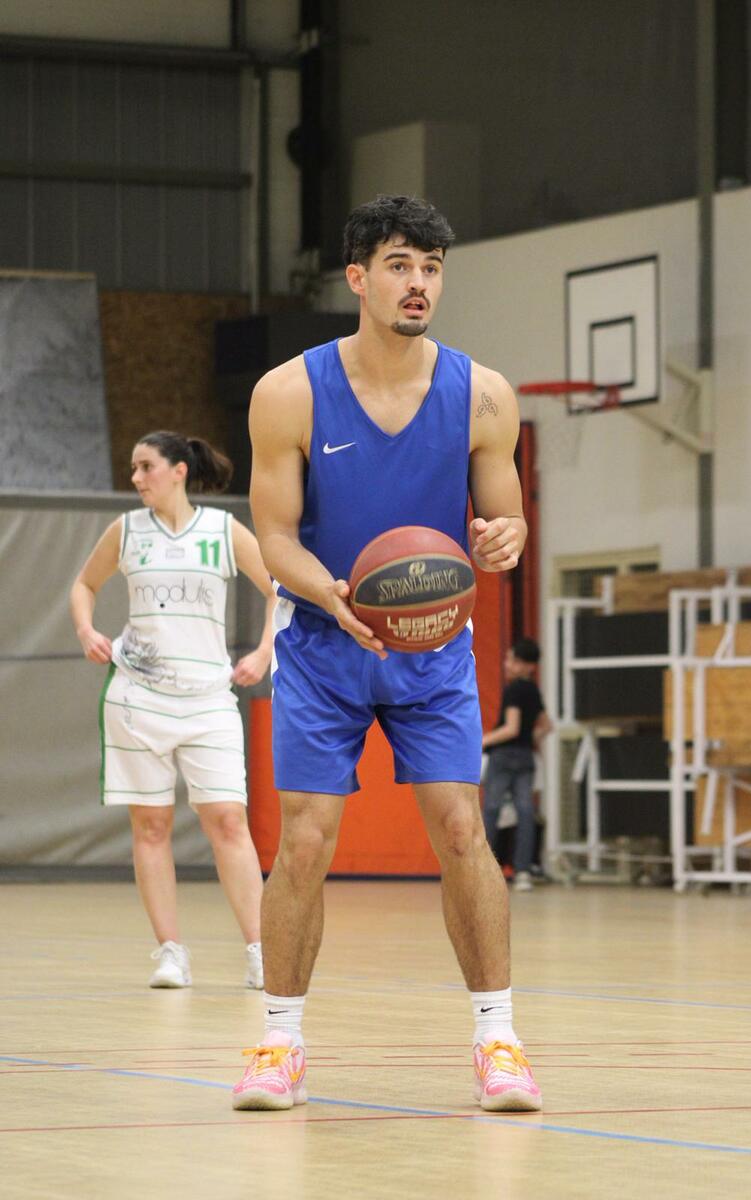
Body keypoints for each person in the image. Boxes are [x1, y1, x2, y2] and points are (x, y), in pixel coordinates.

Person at [234, 193, 542, 1114]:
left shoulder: (485, 395)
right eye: (401, 266)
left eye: (432, 268)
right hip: (323, 642)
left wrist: (505, 538)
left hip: (431, 648)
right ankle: (279, 1045)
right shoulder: (288, 393)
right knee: (305, 841)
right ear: (357, 278)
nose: (419, 284)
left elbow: (505, 519)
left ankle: (499, 1041)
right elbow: (274, 536)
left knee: (462, 829)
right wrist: (328, 589)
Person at [70, 431, 274, 990]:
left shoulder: (223, 530)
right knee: (151, 825)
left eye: (146, 466)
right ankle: (170, 953)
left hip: (209, 699)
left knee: (228, 821)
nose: (136, 478)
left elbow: (278, 589)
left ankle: (261, 950)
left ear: (179, 470)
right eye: (134, 468)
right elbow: (84, 584)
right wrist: (86, 629)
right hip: (138, 697)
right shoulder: (127, 530)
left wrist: (264, 651)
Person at [481, 639, 553, 892]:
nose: (507, 664)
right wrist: (529, 739)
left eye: (512, 660)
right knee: (525, 812)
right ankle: (523, 871)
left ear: (526, 665)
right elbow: (547, 725)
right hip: (525, 757)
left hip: (503, 757)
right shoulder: (533, 690)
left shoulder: (513, 690)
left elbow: (511, 728)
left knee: (491, 810)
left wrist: (483, 741)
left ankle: (484, 869)